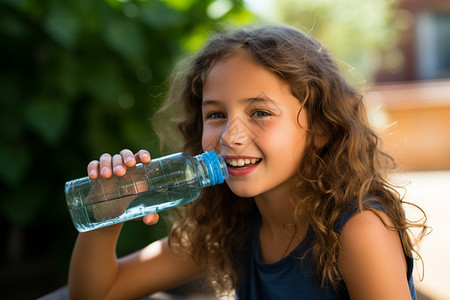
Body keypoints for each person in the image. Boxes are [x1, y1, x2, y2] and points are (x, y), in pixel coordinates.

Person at [68, 24, 428, 300]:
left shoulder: (359, 230)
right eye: (215, 115)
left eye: (259, 112)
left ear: (322, 128)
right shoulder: (229, 227)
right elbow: (98, 293)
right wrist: (107, 215)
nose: (230, 135)